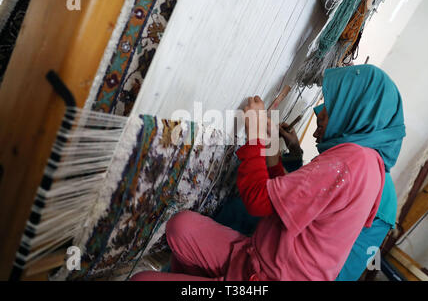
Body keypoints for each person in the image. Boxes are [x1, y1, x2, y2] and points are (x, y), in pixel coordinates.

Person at [131, 64, 405, 281]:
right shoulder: (367, 162)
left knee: (141, 280)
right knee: (181, 227)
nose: (321, 114)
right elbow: (295, 202)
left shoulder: (351, 161)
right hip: (256, 258)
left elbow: (259, 200)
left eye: (333, 106)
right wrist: (273, 155)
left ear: (356, 110)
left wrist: (254, 134)